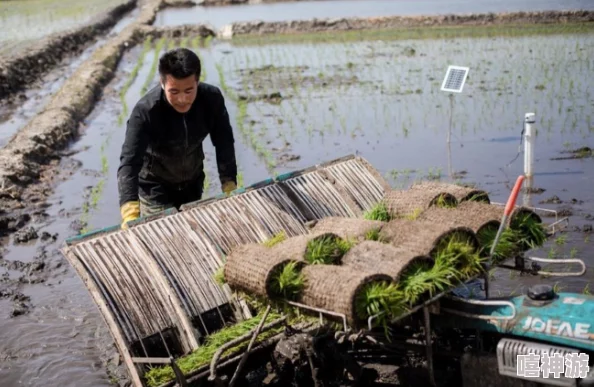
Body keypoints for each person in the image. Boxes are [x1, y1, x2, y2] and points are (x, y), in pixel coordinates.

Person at [117, 47, 237, 228]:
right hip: (155, 186)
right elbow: (129, 162)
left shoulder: (211, 99)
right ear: (163, 83)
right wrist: (129, 211)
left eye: (189, 91)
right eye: (174, 92)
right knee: (165, 235)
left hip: (192, 182)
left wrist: (229, 183)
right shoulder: (146, 111)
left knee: (191, 232)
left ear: (197, 81)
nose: (182, 99)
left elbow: (224, 142)